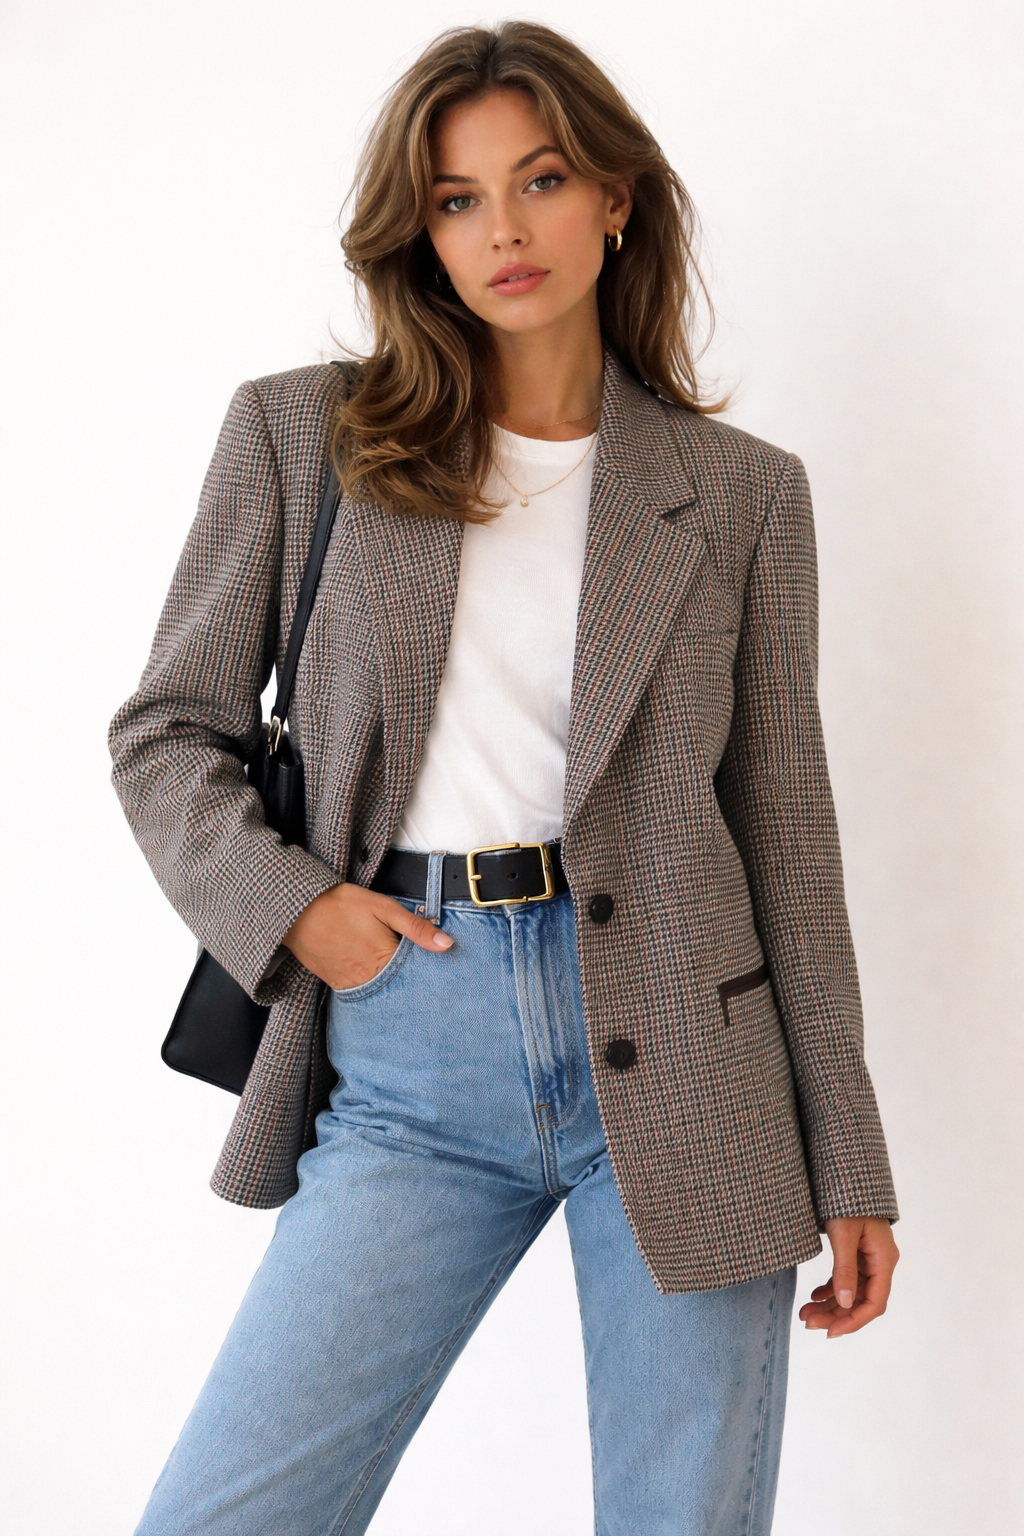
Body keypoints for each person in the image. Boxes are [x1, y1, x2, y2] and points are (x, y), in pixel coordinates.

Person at [109, 21, 899, 1535]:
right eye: (457, 200)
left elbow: (786, 837)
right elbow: (166, 730)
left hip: (694, 1053)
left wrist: (850, 1153)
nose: (504, 230)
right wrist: (298, 911)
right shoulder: (306, 437)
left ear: (615, 197)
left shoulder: (744, 497)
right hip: (412, 1048)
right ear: (420, 232)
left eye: (540, 181)